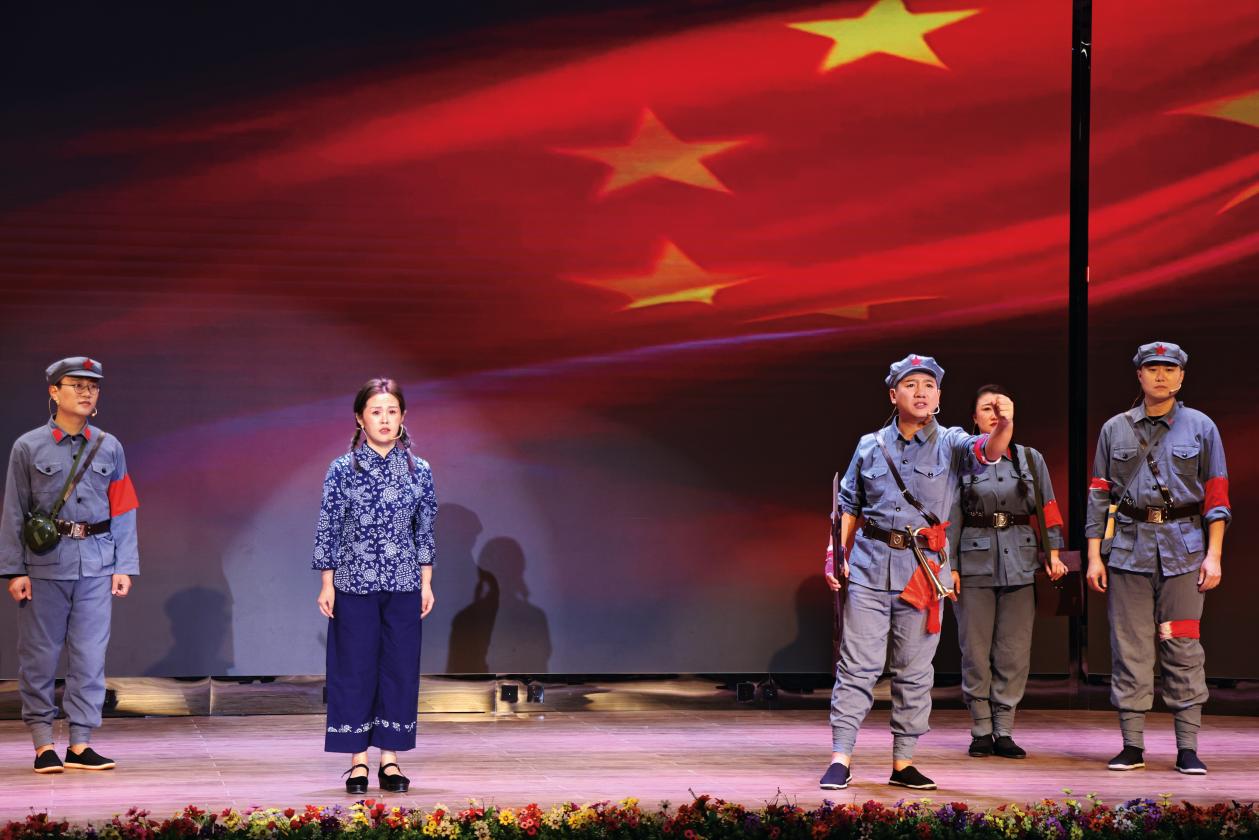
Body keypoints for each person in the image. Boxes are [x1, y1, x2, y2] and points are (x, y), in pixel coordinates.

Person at [820, 354, 1013, 792]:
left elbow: (988, 452)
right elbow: (848, 505)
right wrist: (835, 553)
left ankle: (903, 762)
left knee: (914, 670)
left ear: (939, 395)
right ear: (894, 395)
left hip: (923, 572)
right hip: (869, 566)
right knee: (858, 666)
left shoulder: (952, 442)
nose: (921, 392)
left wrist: (1003, 426)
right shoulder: (870, 445)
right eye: (911, 385)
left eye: (929, 385)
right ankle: (840, 757)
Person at [1085, 342, 1228, 775]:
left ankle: (1187, 747)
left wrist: (1215, 556)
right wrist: (1094, 557)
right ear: (1139, 376)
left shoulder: (1201, 427)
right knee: (1129, 647)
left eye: (1169, 368)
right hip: (1128, 552)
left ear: (1181, 377)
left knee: (1182, 645)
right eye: (1152, 368)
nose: (1161, 375)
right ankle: (1132, 745)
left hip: (1184, 552)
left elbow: (1217, 497)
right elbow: (1098, 497)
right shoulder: (1115, 429)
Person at [0, 357, 139, 774]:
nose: (86, 392)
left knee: (89, 657)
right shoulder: (28, 447)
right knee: (39, 657)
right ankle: (43, 743)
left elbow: (124, 508)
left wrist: (124, 565)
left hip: (97, 564)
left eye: (92, 386)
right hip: (45, 565)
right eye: (76, 385)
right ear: (53, 392)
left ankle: (80, 744)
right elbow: (14, 511)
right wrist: (14, 570)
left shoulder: (110, 446)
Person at [313, 377, 437, 794]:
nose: (384, 419)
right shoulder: (342, 469)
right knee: (354, 668)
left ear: (403, 417)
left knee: (399, 668)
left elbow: (425, 530)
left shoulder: (419, 471)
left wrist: (426, 582)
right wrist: (327, 582)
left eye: (392, 411)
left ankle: (390, 759)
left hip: (404, 582)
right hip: (353, 582)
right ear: (359, 419)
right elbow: (328, 527)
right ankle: (358, 762)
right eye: (376, 412)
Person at [947, 385, 1067, 759]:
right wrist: (949, 566)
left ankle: (1004, 729)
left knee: (1013, 652)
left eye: (1001, 408)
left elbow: (1047, 507)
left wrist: (1054, 552)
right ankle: (981, 728)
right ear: (974, 418)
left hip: (1020, 561)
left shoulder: (1029, 458)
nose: (994, 415)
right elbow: (951, 515)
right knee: (975, 650)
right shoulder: (962, 459)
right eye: (987, 408)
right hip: (974, 564)